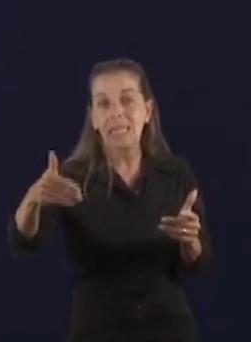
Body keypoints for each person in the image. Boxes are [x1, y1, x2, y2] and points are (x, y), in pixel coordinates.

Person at [11, 58, 210, 340]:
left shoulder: (175, 173)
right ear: (93, 118)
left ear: (147, 111)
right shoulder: (71, 178)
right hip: (99, 328)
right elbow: (25, 242)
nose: (116, 112)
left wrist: (190, 241)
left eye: (127, 100)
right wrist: (33, 199)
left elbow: (200, 262)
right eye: (104, 104)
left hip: (168, 325)